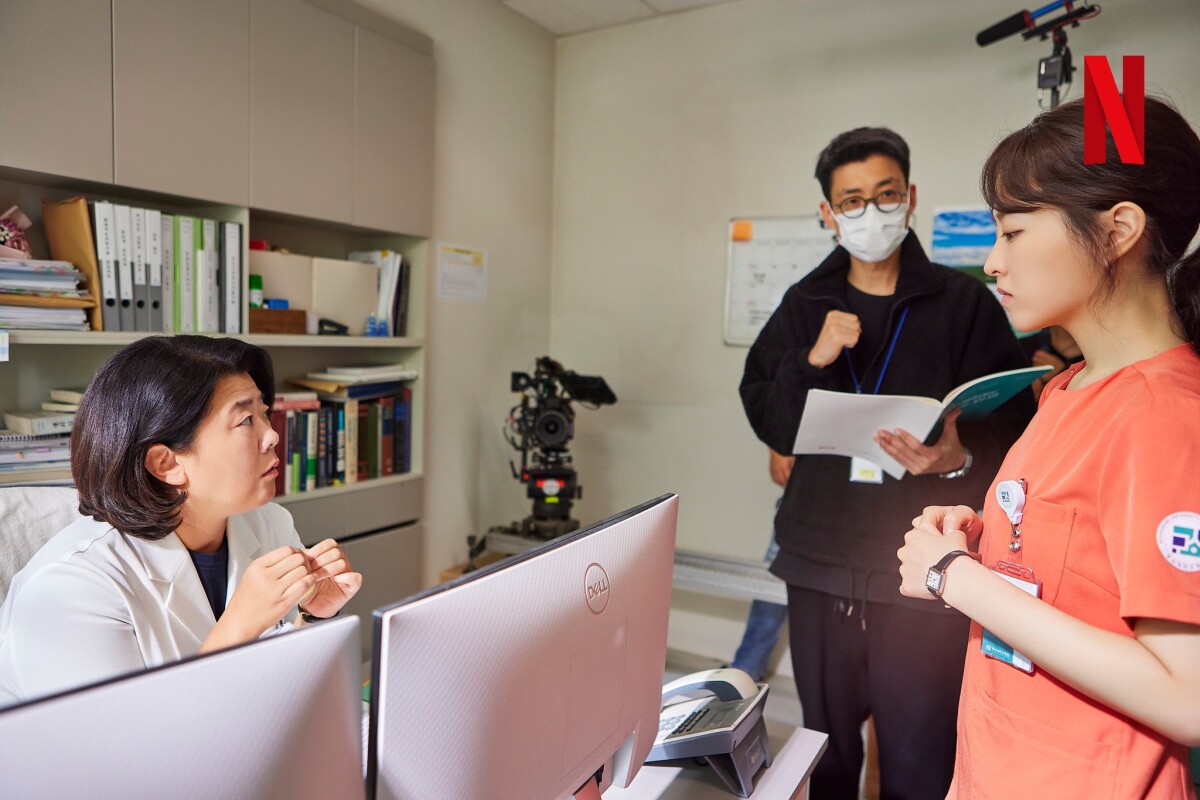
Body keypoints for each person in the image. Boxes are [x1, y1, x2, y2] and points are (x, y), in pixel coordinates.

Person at [897, 96, 1200, 798]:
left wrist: (956, 578)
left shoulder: (1166, 415)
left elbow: (1186, 696)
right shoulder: (1065, 390)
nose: (992, 261)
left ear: (1119, 228)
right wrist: (979, 544)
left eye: (1013, 231)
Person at [740, 127, 1035, 799]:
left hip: (923, 568)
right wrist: (809, 361)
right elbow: (769, 417)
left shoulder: (963, 306)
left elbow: (1016, 424)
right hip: (818, 561)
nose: (870, 214)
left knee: (920, 755)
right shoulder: (805, 305)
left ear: (911, 198)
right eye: (851, 201)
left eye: (885, 195)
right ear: (828, 213)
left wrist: (960, 455)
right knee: (828, 757)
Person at [0, 335, 362, 704]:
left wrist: (313, 616)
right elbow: (123, 750)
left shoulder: (268, 523)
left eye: (264, 413)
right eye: (245, 420)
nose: (272, 435)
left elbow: (285, 690)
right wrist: (238, 626)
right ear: (167, 463)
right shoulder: (70, 590)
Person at [729, 448, 792, 682]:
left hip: (864, 480)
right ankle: (747, 667)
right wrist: (777, 447)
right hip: (807, 482)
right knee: (773, 577)